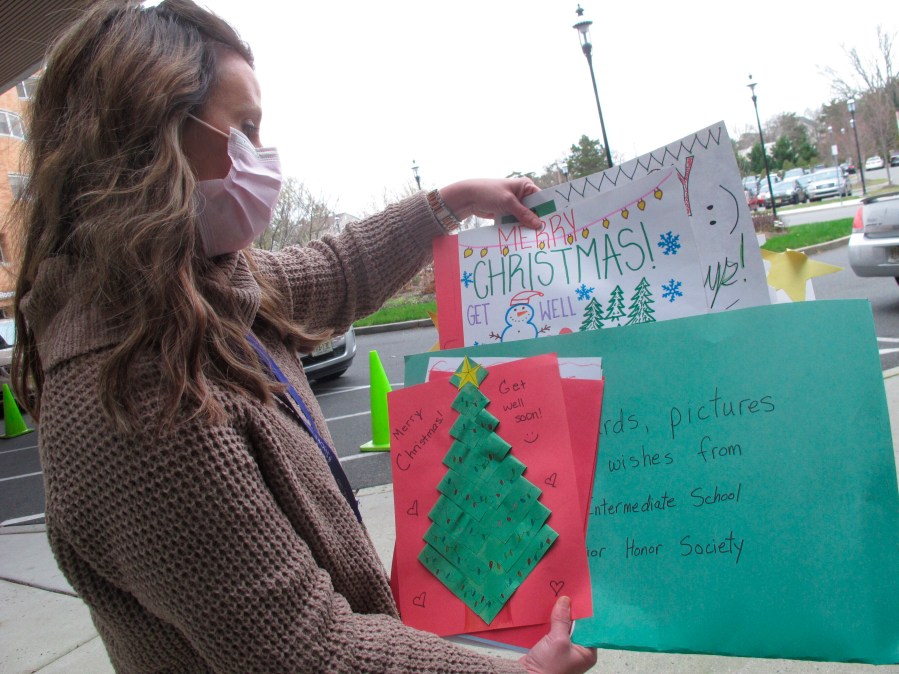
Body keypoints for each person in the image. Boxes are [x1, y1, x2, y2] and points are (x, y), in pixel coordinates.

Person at [12, 1, 597, 672]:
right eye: (245, 128)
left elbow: (335, 270)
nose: (263, 157)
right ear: (151, 138)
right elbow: (305, 650)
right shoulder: (142, 396)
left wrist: (451, 202)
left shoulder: (193, 290)